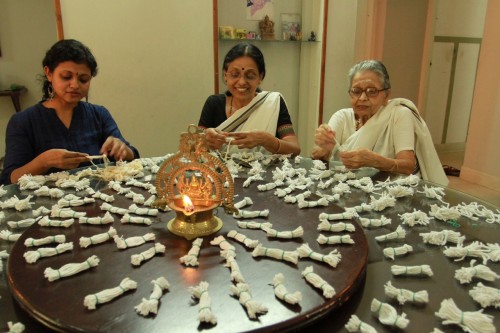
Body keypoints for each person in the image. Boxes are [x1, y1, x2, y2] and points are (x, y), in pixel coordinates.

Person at [0, 39, 139, 185]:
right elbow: (9, 179)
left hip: (100, 200)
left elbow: (132, 156)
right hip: (47, 204)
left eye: (83, 79)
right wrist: (44, 161)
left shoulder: (99, 114)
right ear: (48, 73)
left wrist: (123, 149)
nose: (75, 85)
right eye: (66, 77)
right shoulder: (23, 121)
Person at [312, 59, 448, 186]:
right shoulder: (341, 117)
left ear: (386, 96)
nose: (363, 98)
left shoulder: (399, 115)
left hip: (391, 189)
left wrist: (374, 161)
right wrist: (324, 149)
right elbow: (318, 159)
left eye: (372, 91)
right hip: (345, 188)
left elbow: (408, 165)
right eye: (356, 91)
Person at [198, 42, 301, 156]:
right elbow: (192, 147)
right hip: (221, 173)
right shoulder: (213, 104)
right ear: (225, 75)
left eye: (250, 76)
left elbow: (295, 149)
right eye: (234, 74)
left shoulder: (272, 103)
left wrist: (266, 140)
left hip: (264, 173)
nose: (242, 82)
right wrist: (205, 140)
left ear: (260, 77)